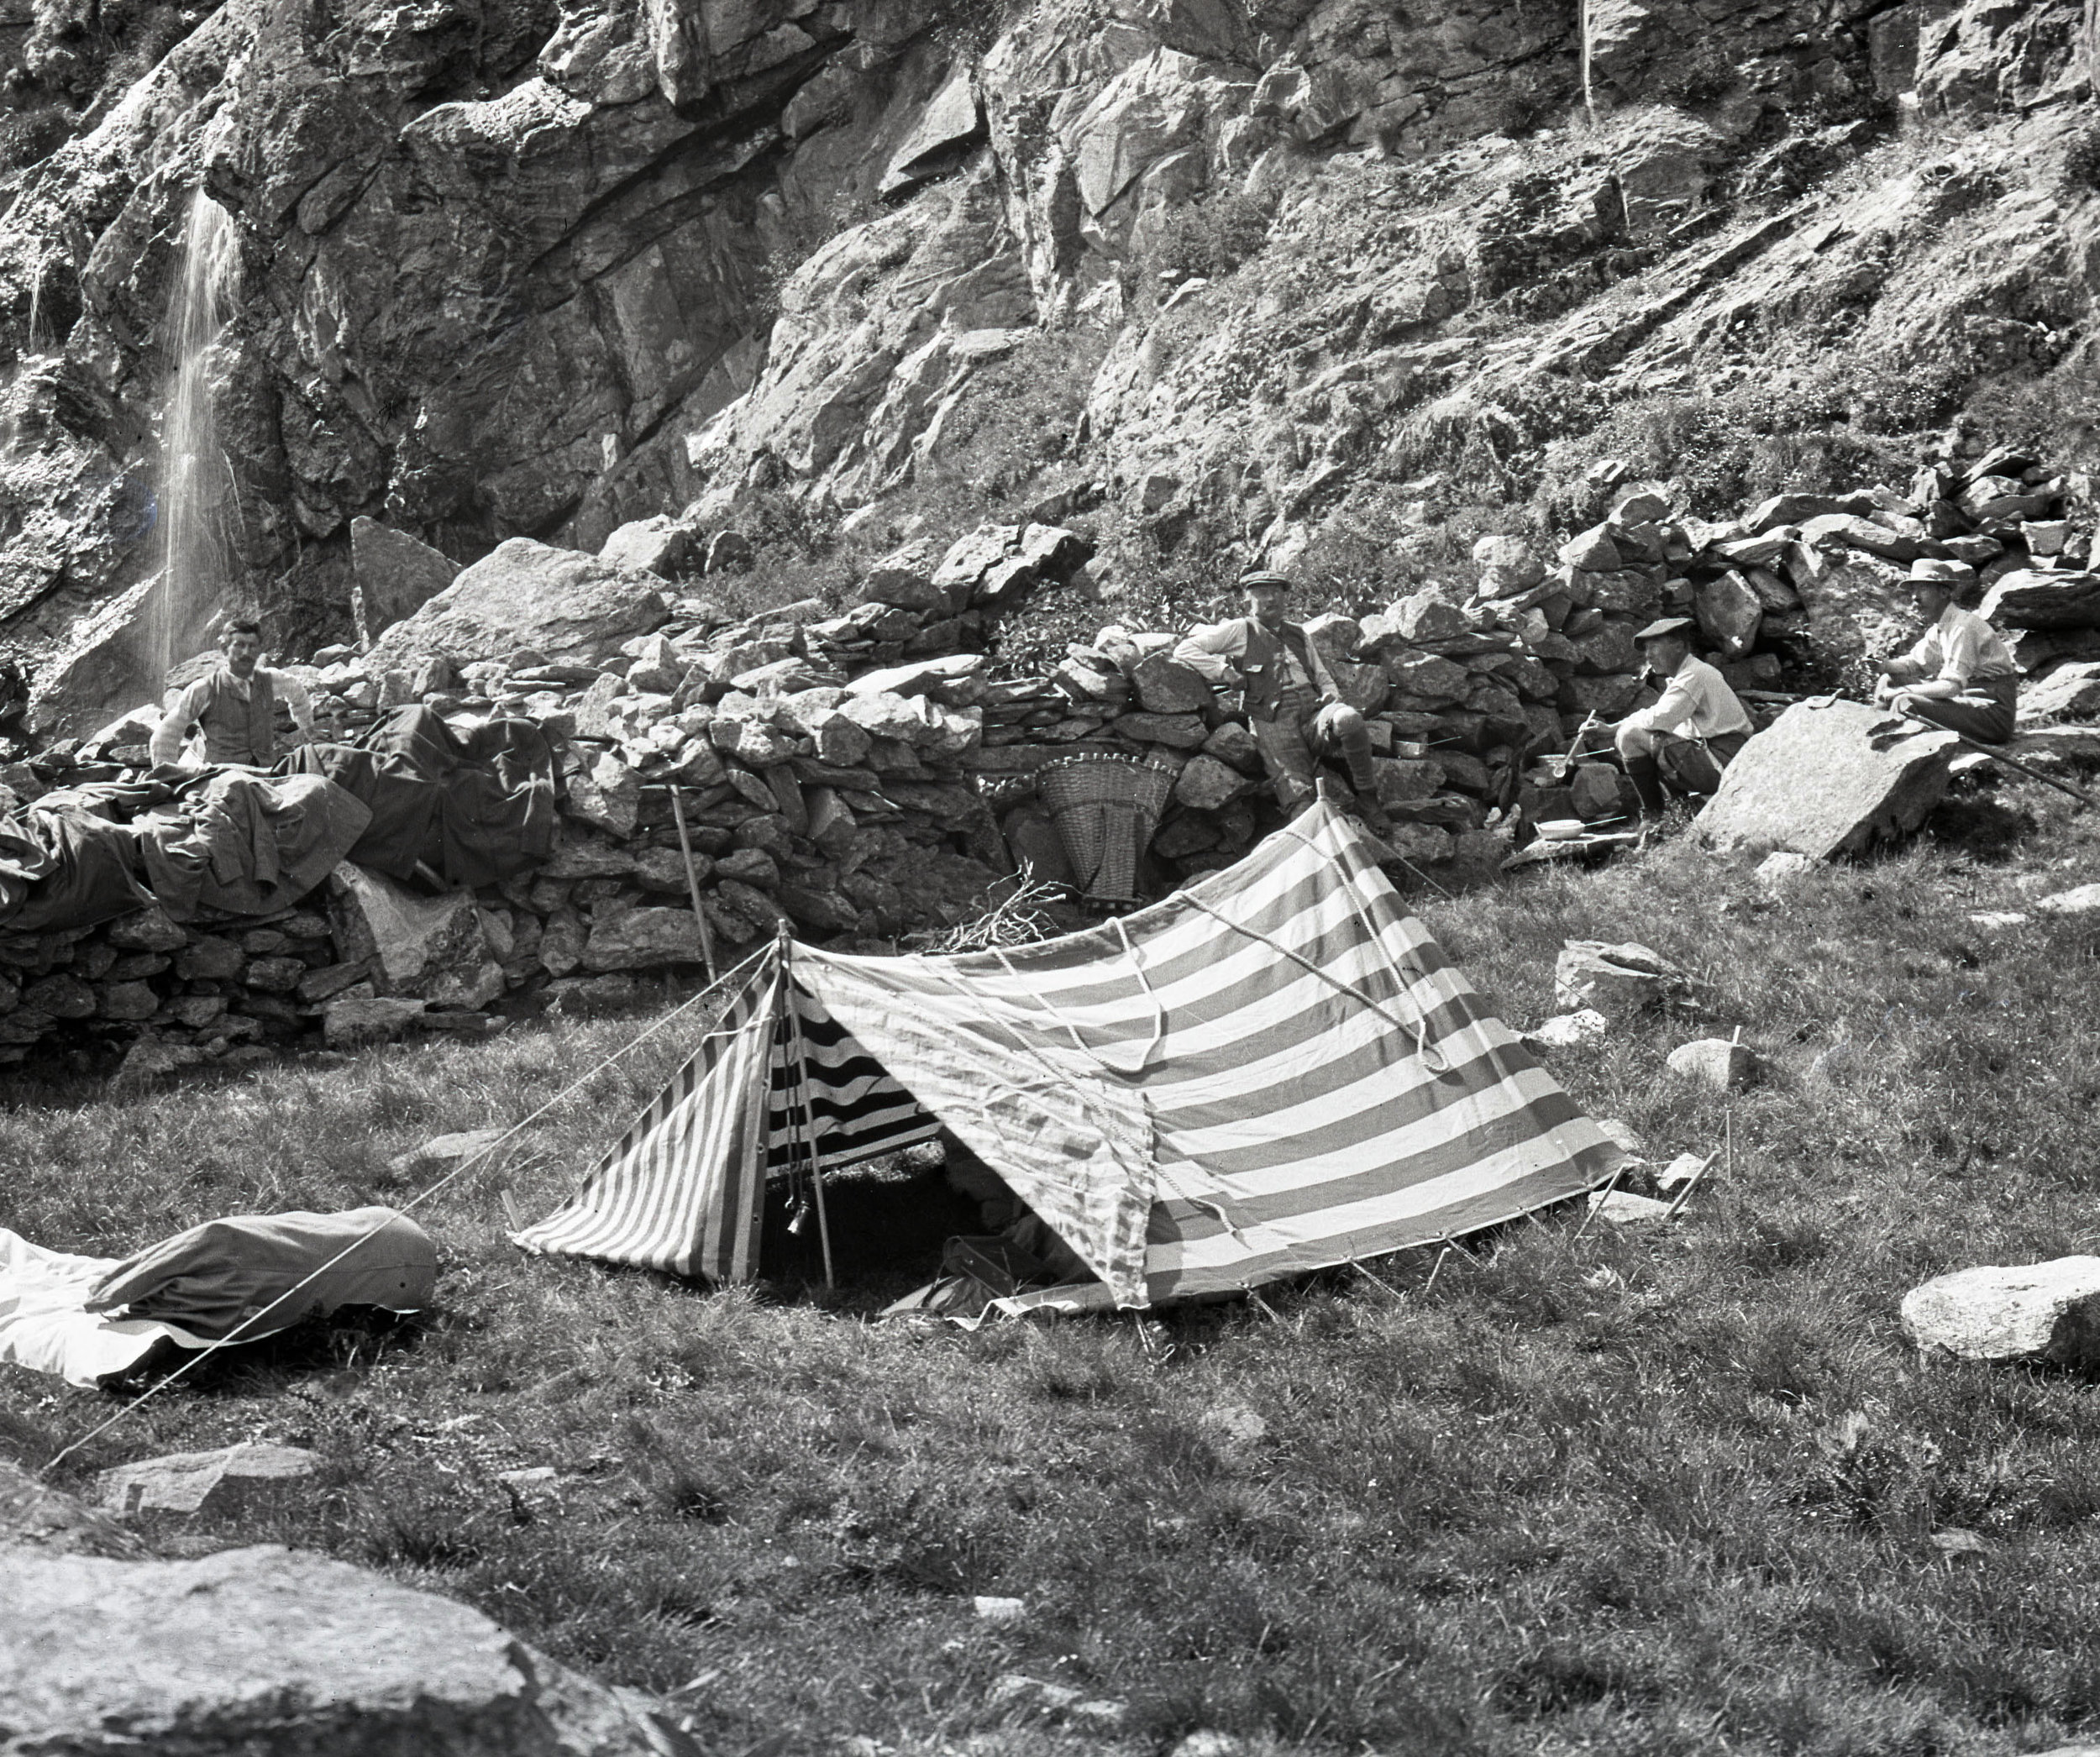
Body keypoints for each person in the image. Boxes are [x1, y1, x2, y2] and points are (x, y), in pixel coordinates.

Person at [1172, 569, 1382, 822]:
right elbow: (1185, 649)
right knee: (1299, 798)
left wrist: (1331, 696)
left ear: (1285, 598)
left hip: (1314, 711)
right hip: (1271, 719)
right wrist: (1224, 672)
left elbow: (1322, 675)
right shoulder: (1241, 629)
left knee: (1349, 720)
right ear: (1247, 600)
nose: (1271, 599)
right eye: (1262, 594)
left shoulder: (1298, 633)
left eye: (1276, 593)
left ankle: (1369, 801)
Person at [1610, 616, 1756, 816]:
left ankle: (1655, 816)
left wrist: (1618, 728)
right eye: (1646, 649)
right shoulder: (1688, 675)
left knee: (1630, 737)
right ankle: (1680, 810)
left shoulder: (1694, 675)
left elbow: (1659, 719)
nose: (1649, 656)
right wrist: (1613, 728)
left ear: (1678, 646)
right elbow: (1662, 718)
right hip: (1725, 757)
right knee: (1639, 735)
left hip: (1727, 761)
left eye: (1654, 647)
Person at [1872, 558, 2019, 743]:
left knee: (1905, 701)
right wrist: (1883, 665)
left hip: (1992, 715)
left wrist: (1903, 691)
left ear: (1943, 592)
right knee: (1889, 680)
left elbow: (1951, 687)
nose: (1915, 597)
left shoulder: (1963, 627)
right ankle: (1868, 739)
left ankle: (1887, 751)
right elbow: (1915, 663)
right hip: (1967, 703)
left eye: (1923, 589)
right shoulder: (1941, 628)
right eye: (1913, 590)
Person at [150, 620, 315, 769]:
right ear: (224, 649)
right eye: (239, 645)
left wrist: (308, 727)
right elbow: (164, 737)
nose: (246, 653)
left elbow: (297, 692)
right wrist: (168, 776)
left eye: (252, 646)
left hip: (264, 772)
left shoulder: (271, 680)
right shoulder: (204, 689)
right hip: (217, 776)